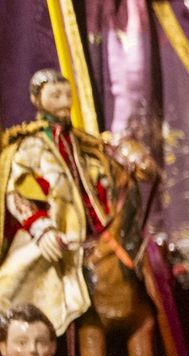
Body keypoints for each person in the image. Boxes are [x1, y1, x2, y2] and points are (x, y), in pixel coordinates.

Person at [0, 71, 115, 338]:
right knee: (11, 285)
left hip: (91, 235)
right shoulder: (31, 144)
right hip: (51, 235)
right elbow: (17, 189)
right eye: (55, 95)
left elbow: (94, 182)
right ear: (36, 99)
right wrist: (40, 227)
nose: (64, 101)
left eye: (67, 94)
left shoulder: (81, 143)